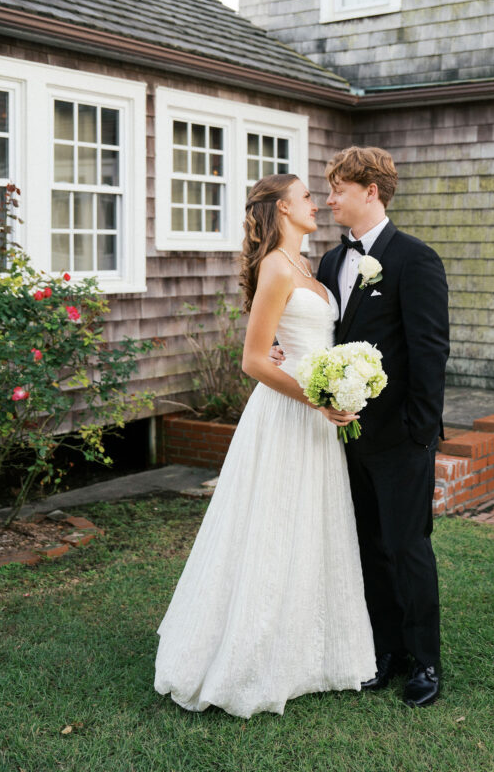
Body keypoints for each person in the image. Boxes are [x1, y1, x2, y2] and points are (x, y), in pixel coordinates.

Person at [154, 173, 376, 718]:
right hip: (288, 413)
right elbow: (253, 360)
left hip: (316, 414)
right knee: (273, 524)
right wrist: (317, 397)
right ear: (281, 209)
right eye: (305, 197)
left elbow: (297, 341)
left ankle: (310, 652)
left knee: (311, 524)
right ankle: (250, 655)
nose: (316, 204)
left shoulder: (309, 265)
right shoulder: (276, 267)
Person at [317, 146, 450, 708]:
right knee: (367, 546)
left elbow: (429, 350)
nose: (329, 200)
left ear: (370, 191)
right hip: (344, 439)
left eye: (338, 190)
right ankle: (386, 649)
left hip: (400, 437)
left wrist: (420, 433)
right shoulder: (329, 262)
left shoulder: (415, 259)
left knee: (406, 546)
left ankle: (425, 661)